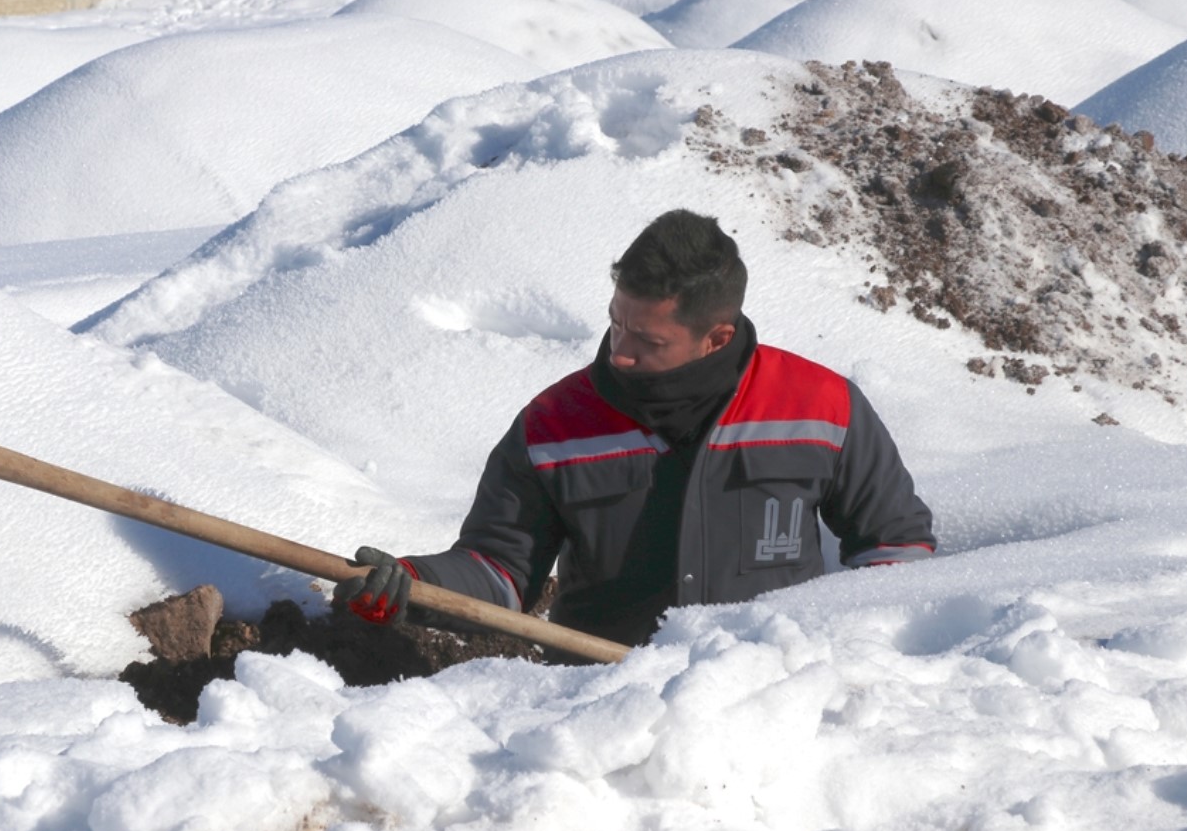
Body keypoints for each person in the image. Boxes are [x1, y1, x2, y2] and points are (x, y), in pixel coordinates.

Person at [339, 209, 935, 648]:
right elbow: (500, 572)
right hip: (600, 712)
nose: (618, 352)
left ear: (716, 338)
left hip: (773, 710)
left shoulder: (821, 406)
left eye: (647, 340)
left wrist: (856, 656)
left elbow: (895, 547)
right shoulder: (554, 424)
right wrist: (416, 584)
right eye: (616, 323)